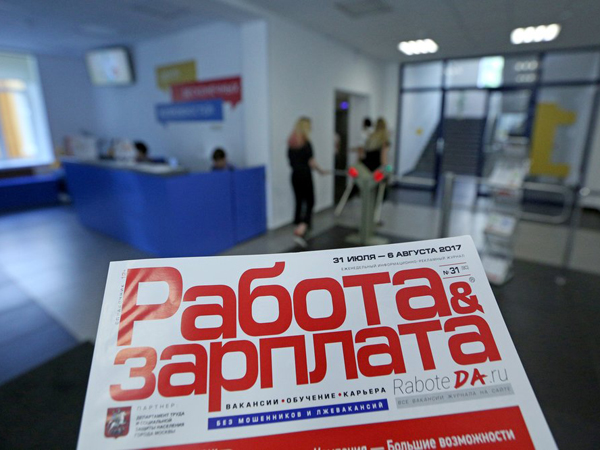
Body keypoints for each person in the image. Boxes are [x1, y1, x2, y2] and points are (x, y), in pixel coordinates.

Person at [288, 117, 328, 247]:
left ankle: (298, 224)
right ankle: (302, 227)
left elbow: (291, 162)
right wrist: (321, 171)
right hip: (305, 175)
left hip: (294, 175)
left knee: (299, 201)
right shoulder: (306, 144)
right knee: (310, 201)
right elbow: (311, 162)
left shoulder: (291, 143)